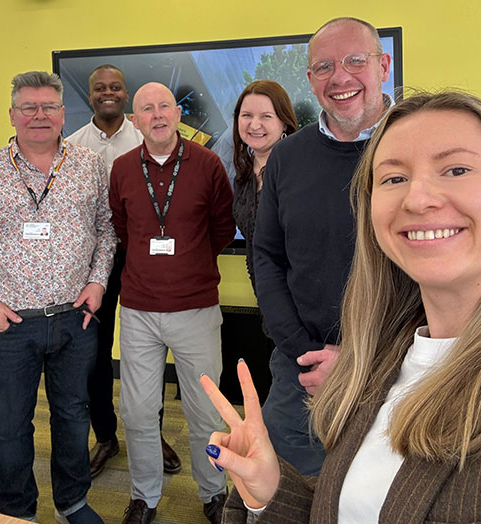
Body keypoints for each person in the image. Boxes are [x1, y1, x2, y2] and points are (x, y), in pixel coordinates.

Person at [201, 90, 481, 523]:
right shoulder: (390, 366)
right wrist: (271, 494)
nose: (418, 199)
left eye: (456, 170)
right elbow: (348, 509)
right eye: (394, 178)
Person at [0, 71, 114, 524]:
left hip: (75, 321)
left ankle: (72, 502)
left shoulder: (90, 166)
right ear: (12, 115)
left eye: (48, 107)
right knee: (11, 426)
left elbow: (106, 231)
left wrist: (97, 283)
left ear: (63, 113)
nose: (39, 115)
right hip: (11, 326)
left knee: (73, 418)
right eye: (28, 107)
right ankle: (16, 513)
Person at [253, 17, 394, 476]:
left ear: (383, 66)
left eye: (355, 60)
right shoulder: (287, 157)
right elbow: (267, 255)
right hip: (302, 367)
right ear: (311, 79)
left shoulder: (417, 145)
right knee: (289, 490)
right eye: (325, 66)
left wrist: (359, 362)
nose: (340, 77)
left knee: (385, 492)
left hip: (398, 367)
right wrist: (301, 350)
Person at [109, 82, 236, 524]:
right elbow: (122, 230)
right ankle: (144, 497)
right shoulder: (123, 169)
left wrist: (189, 264)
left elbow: (222, 227)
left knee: (206, 412)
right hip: (139, 311)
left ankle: (214, 493)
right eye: (147, 108)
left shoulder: (208, 164)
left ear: (177, 114)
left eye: (165, 106)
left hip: (195, 308)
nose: (158, 115)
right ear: (135, 120)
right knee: (138, 411)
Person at [66, 64, 182, 480]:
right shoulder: (72, 147)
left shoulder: (147, 137)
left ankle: (151, 435)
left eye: (116, 87)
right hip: (90, 270)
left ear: (126, 95)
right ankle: (105, 435)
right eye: (100, 88)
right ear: (90, 96)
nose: (108, 93)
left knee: (147, 355)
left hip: (140, 263)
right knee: (93, 355)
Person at [230, 80, 297, 296]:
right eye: (247, 115)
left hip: (304, 299)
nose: (254, 125)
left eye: (266, 116)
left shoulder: (300, 171)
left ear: (284, 123)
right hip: (265, 298)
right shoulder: (243, 177)